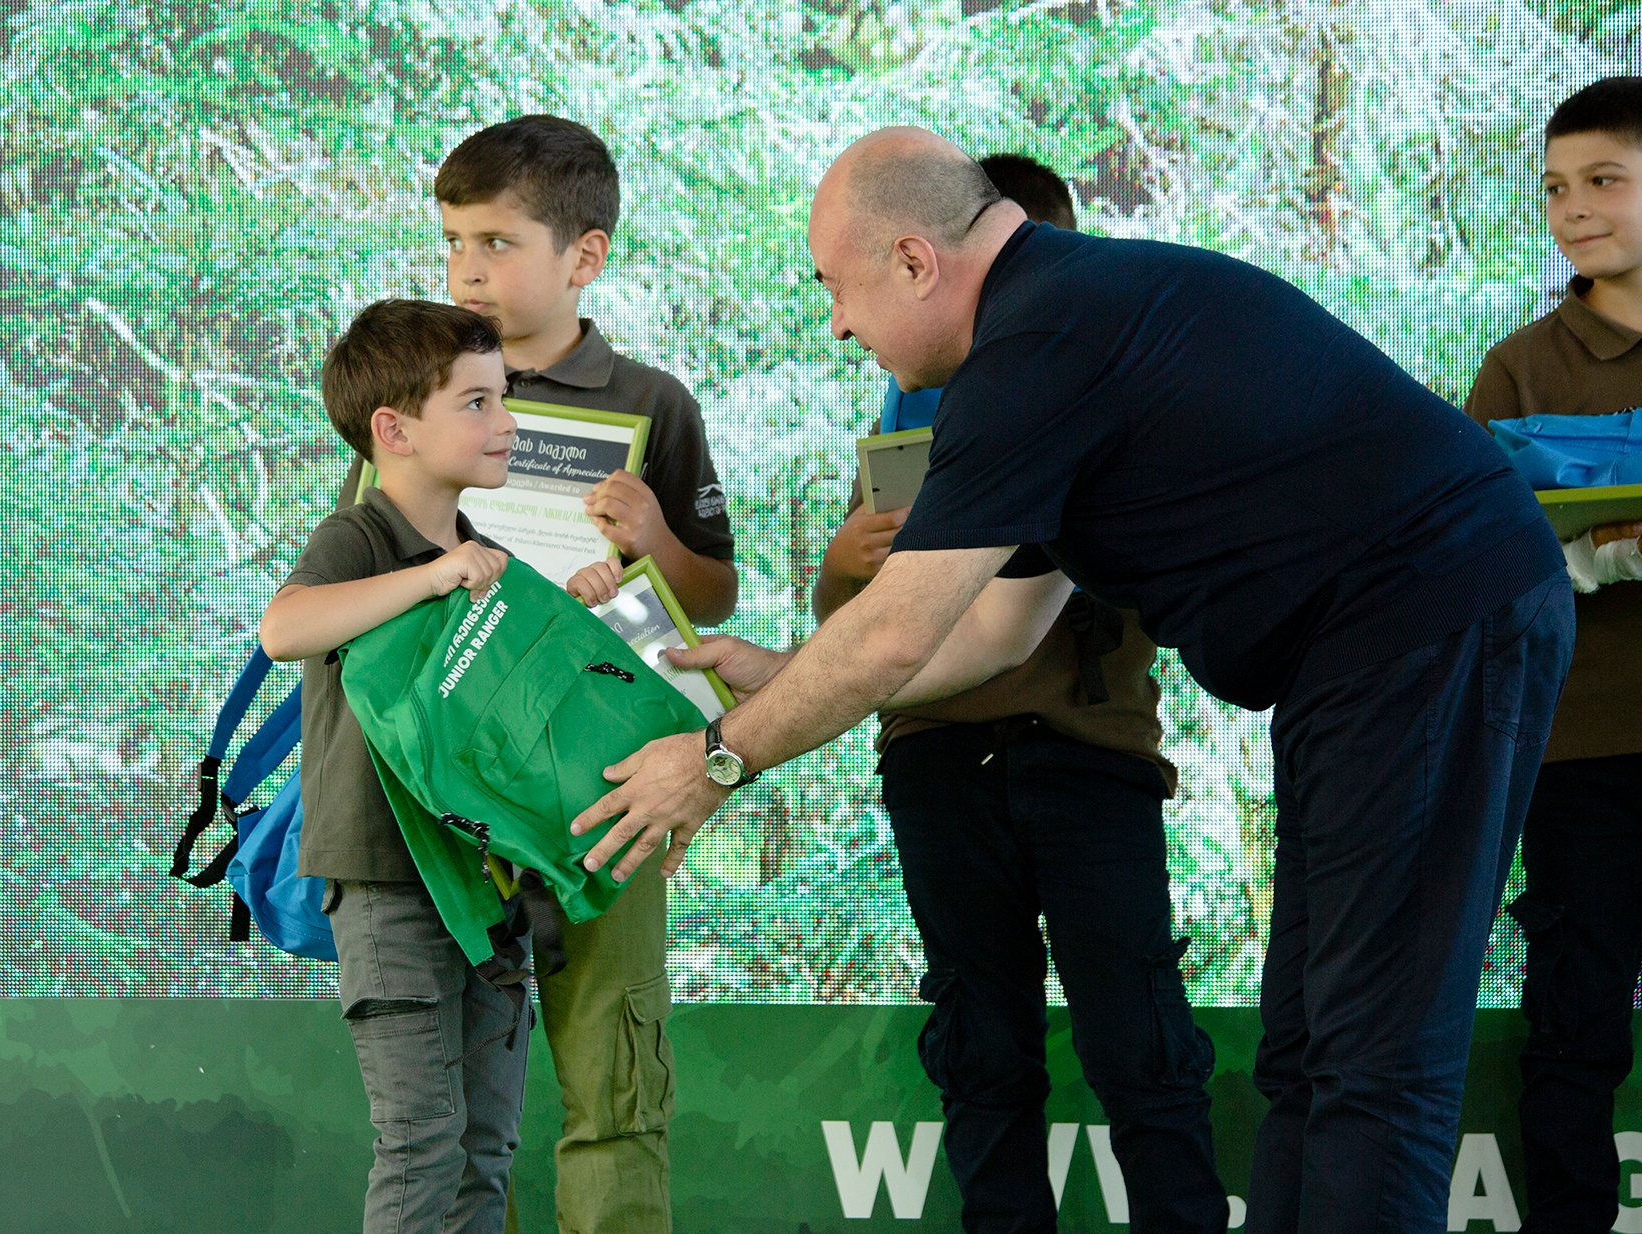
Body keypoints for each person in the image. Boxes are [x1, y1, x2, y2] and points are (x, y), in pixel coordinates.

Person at [568, 127, 1575, 1234]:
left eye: (837, 289)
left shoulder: (1039, 340)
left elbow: (896, 635)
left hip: (1431, 623)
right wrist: (779, 673)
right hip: (1364, 658)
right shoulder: (1056, 324)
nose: (840, 325)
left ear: (915, 261)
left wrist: (717, 758)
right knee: (1307, 1046)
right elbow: (997, 631)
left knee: (1373, 1060)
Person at [815, 151, 1226, 1233]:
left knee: (1138, 1033)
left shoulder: (1106, 386)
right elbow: (846, 630)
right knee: (980, 1041)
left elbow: (1131, 584)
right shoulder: (905, 428)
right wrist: (849, 561)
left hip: (1090, 750)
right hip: (937, 755)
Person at [416, 114, 736, 1234]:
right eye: (453, 241)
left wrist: (655, 542)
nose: (466, 268)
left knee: (614, 1079)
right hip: (452, 790)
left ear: (583, 255)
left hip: (607, 784)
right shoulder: (414, 387)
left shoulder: (653, 402)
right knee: (450, 1098)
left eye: (496, 242)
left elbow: (713, 594)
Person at [260, 299, 608, 1234]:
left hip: (485, 887)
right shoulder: (359, 538)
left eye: (505, 399)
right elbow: (283, 628)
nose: (508, 423)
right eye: (478, 402)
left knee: (485, 1146)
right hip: (388, 882)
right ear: (394, 430)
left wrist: (571, 614)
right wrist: (430, 576)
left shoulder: (487, 554)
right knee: (421, 1142)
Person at [1466, 75, 1642, 1234]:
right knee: (1571, 1027)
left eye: (1603, 180)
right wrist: (1604, 557)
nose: (1574, 210)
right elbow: (1468, 567)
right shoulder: (1517, 368)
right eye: (1556, 188)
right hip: (1573, 748)